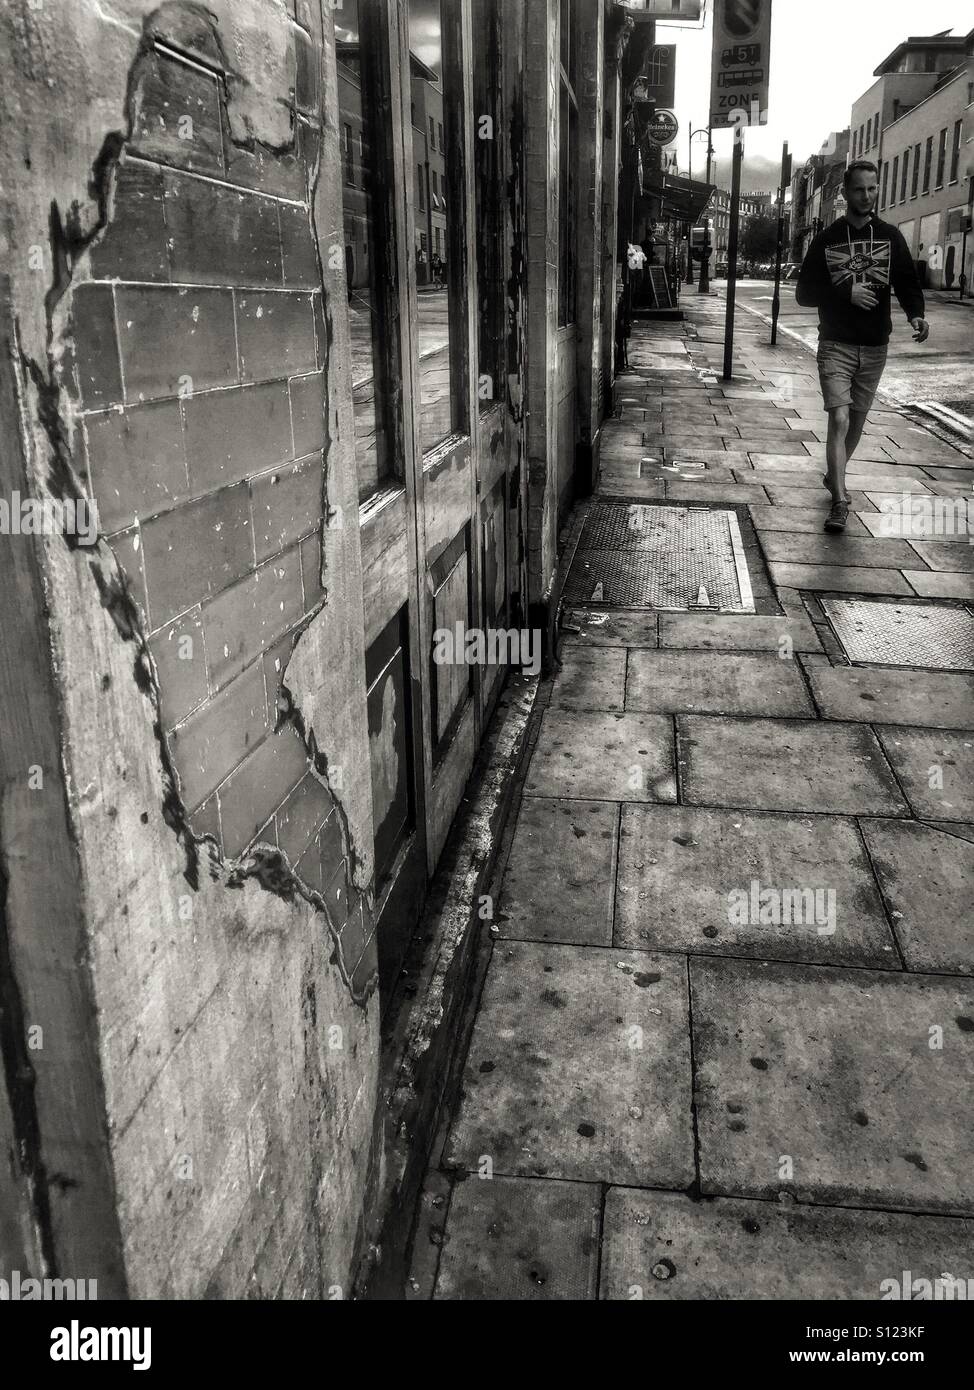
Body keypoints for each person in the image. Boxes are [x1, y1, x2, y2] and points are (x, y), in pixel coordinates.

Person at [796, 160, 929, 531]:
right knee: (838, 417)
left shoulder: (890, 236)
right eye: (859, 189)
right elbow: (804, 294)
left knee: (856, 421)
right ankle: (839, 501)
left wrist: (915, 314)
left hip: (874, 346)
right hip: (836, 343)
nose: (867, 196)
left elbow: (906, 282)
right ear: (844, 192)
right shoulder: (827, 240)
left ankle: (833, 476)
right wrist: (845, 291)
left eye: (872, 189)